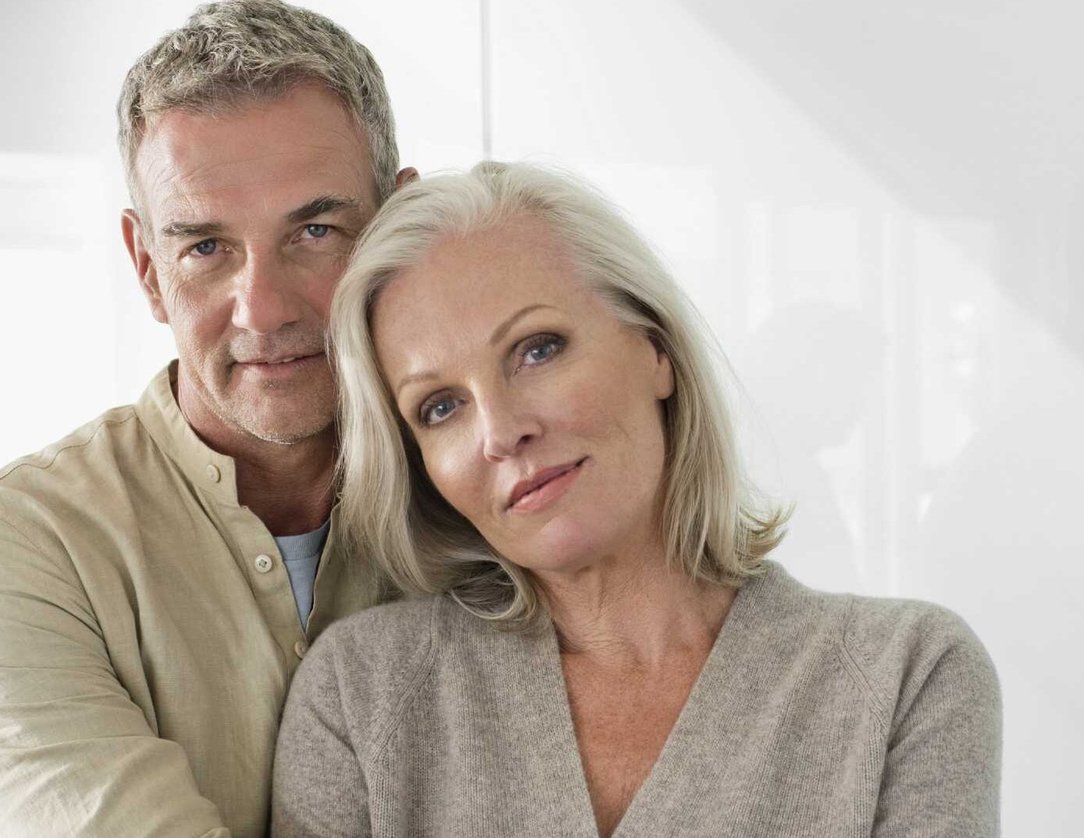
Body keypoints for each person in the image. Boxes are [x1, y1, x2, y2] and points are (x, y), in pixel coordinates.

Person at [272, 162, 1002, 837]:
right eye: (439, 407)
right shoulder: (361, 699)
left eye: (537, 349)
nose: (500, 431)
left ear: (655, 350)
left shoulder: (904, 677)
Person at [0, 2, 416, 835]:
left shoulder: (487, 508)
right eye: (205, 248)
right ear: (148, 269)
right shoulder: (18, 549)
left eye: (316, 230)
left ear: (401, 230)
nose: (262, 309)